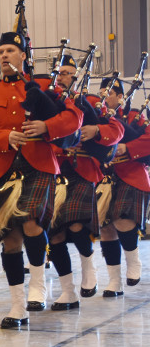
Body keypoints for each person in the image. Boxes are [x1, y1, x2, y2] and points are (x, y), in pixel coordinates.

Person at [0, 32, 82, 328]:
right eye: (1, 51)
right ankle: (17, 306)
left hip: (39, 166)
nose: (4, 55)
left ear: (23, 55)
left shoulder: (45, 85)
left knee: (32, 223)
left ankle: (38, 287)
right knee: (9, 238)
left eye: (10, 50)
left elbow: (73, 117)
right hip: (5, 170)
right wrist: (5, 137)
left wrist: (47, 126)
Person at [47, 56, 124, 309]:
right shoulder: (49, 101)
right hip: (56, 172)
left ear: (77, 77)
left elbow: (116, 130)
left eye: (68, 73)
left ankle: (88, 265)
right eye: (59, 72)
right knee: (55, 235)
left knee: (78, 225)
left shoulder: (92, 102)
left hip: (83, 171)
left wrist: (96, 132)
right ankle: (68, 291)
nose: (61, 77)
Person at [96, 77, 150, 297]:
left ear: (120, 97)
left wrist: (126, 147)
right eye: (101, 93)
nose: (103, 97)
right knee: (106, 228)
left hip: (131, 174)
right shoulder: (97, 119)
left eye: (107, 93)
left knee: (123, 219)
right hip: (104, 177)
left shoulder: (135, 117)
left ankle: (133, 260)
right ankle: (114, 281)